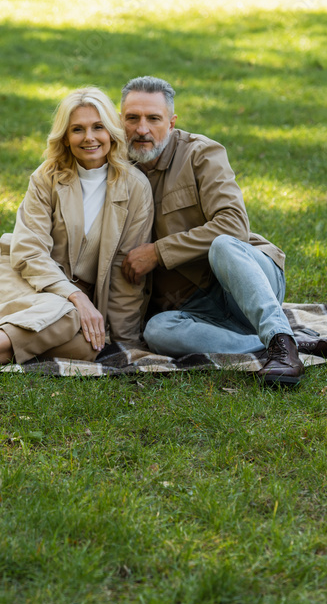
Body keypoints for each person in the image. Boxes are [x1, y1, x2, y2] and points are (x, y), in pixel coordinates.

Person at [118, 75, 306, 386]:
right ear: (119, 120)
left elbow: (234, 224)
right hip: (195, 308)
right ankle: (271, 343)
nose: (142, 129)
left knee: (223, 244)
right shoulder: (114, 167)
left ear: (172, 122)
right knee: (156, 331)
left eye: (153, 118)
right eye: (132, 118)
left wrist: (158, 252)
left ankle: (282, 346)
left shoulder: (201, 154)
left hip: (245, 280)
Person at [0, 87, 154, 365]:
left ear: (111, 131)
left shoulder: (135, 188)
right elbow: (28, 252)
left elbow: (126, 272)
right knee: (66, 315)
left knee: (88, 348)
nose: (89, 137)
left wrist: (124, 341)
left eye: (98, 127)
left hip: (73, 302)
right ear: (65, 137)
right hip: (24, 279)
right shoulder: (46, 177)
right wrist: (76, 297)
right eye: (77, 129)